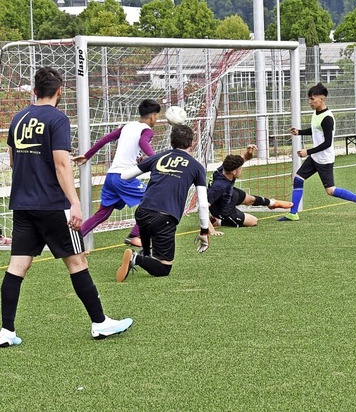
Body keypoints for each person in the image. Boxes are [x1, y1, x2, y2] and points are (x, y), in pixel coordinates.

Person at [1, 67, 132, 347]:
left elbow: (12, 161)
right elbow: (61, 164)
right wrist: (75, 203)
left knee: (16, 267)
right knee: (77, 261)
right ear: (60, 91)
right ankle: (100, 323)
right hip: (52, 204)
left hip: (23, 204)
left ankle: (6, 330)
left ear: (34, 91)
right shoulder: (58, 119)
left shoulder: (17, 118)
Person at [115, 124, 210, 282]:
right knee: (164, 268)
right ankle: (135, 258)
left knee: (150, 244)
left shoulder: (158, 157)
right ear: (191, 143)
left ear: (171, 141)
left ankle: (144, 256)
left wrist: (142, 163)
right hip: (164, 217)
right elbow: (203, 203)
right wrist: (204, 231)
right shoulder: (196, 167)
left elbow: (125, 176)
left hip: (142, 212)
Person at [277, 83, 356, 222]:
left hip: (324, 159)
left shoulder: (327, 118)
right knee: (298, 179)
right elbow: (315, 129)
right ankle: (293, 213)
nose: (310, 102)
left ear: (321, 99)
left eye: (312, 99)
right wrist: (299, 132)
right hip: (315, 157)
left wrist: (307, 151)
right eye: (309, 99)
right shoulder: (316, 113)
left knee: (331, 190)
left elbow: (327, 143)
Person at [72, 99, 161, 248]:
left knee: (102, 214)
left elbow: (106, 139)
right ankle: (135, 235)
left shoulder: (127, 126)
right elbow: (143, 142)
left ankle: (74, 238)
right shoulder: (146, 130)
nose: (156, 120)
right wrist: (157, 159)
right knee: (153, 199)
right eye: (157, 116)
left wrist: (87, 155)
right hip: (123, 178)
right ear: (152, 116)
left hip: (111, 176)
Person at [208, 144, 293, 229]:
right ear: (234, 172)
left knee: (250, 199)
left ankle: (271, 203)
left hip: (227, 194)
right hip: (223, 210)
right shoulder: (219, 187)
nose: (241, 170)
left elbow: (245, 157)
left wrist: (249, 153)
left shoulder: (226, 167)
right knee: (253, 221)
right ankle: (217, 221)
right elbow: (203, 206)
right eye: (240, 169)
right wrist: (211, 231)